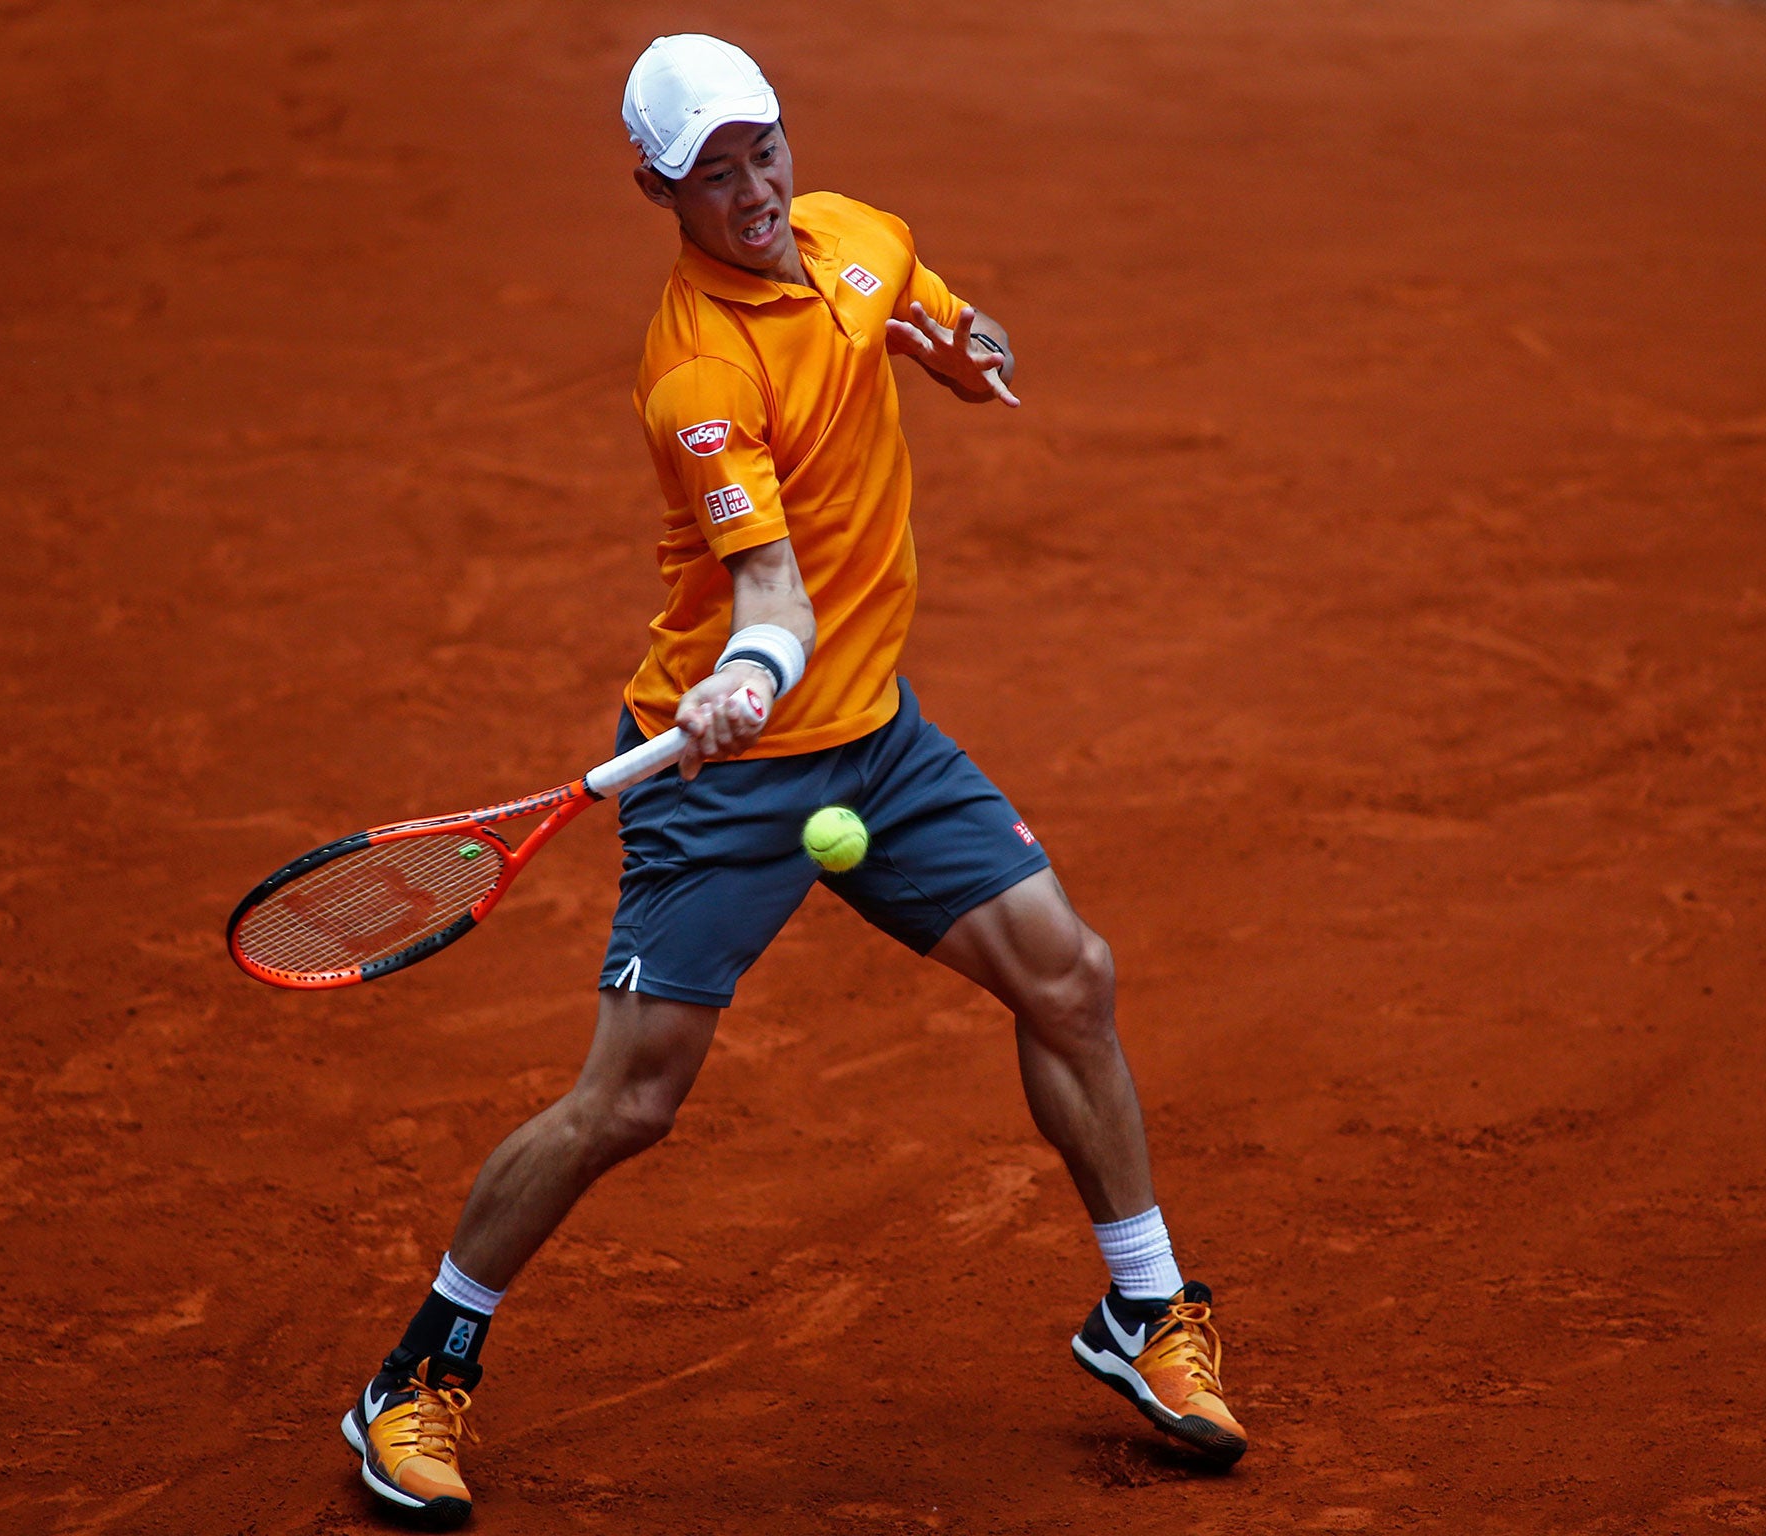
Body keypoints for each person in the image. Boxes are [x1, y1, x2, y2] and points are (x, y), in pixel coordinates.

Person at [340, 33, 1247, 1526]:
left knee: (1071, 980)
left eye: (762, 147)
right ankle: (418, 1372)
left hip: (876, 746)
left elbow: (928, 312)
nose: (753, 186)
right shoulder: (697, 371)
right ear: (656, 188)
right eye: (713, 171)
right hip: (727, 769)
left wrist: (968, 348)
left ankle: (1143, 1314)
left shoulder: (853, 235)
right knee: (628, 1104)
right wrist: (752, 674)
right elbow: (768, 584)